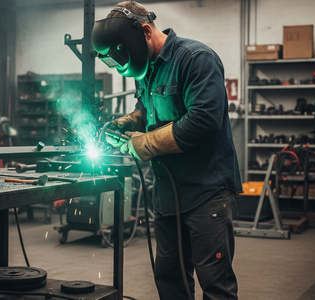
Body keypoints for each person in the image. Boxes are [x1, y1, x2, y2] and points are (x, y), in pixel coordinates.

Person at [92, 2, 243, 300]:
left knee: (215, 285)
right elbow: (146, 108)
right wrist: (124, 123)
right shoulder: (146, 69)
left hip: (206, 193)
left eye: (122, 56)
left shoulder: (196, 58)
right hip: (167, 195)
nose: (122, 66)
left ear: (145, 32)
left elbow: (204, 120)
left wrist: (142, 145)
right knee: (170, 279)